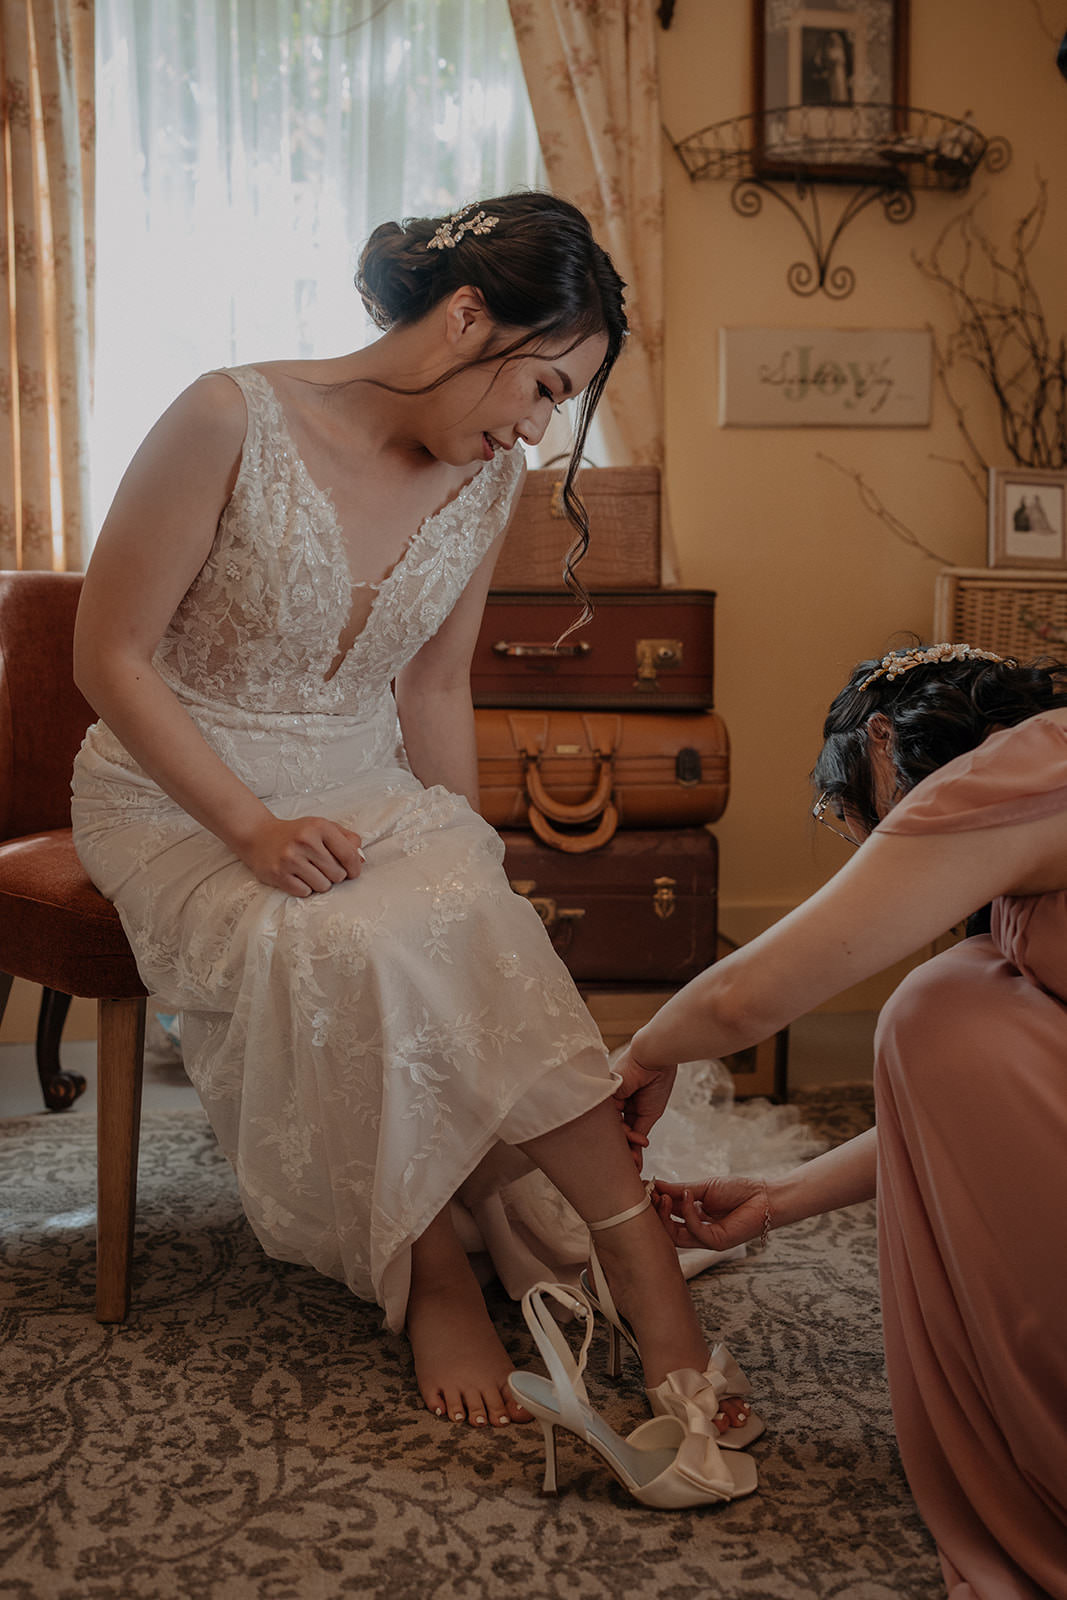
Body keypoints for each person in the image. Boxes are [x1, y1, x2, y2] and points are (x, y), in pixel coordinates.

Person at [71, 190, 763, 1457]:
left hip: (367, 774)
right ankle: (437, 1271)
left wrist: (472, 858)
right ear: (463, 320)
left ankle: (638, 1270)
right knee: (353, 942)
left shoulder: (484, 481)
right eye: (545, 386)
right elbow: (108, 658)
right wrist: (250, 829)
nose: (538, 428)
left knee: (463, 917)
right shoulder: (229, 415)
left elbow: (434, 686)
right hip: (179, 790)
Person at [612, 642, 1067, 1595]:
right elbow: (978, 1109)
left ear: (882, 741)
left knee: (942, 1003)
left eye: (847, 810)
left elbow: (745, 1001)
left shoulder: (1020, 775)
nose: (862, 839)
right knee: (953, 1001)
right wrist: (773, 1200)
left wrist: (644, 1054)